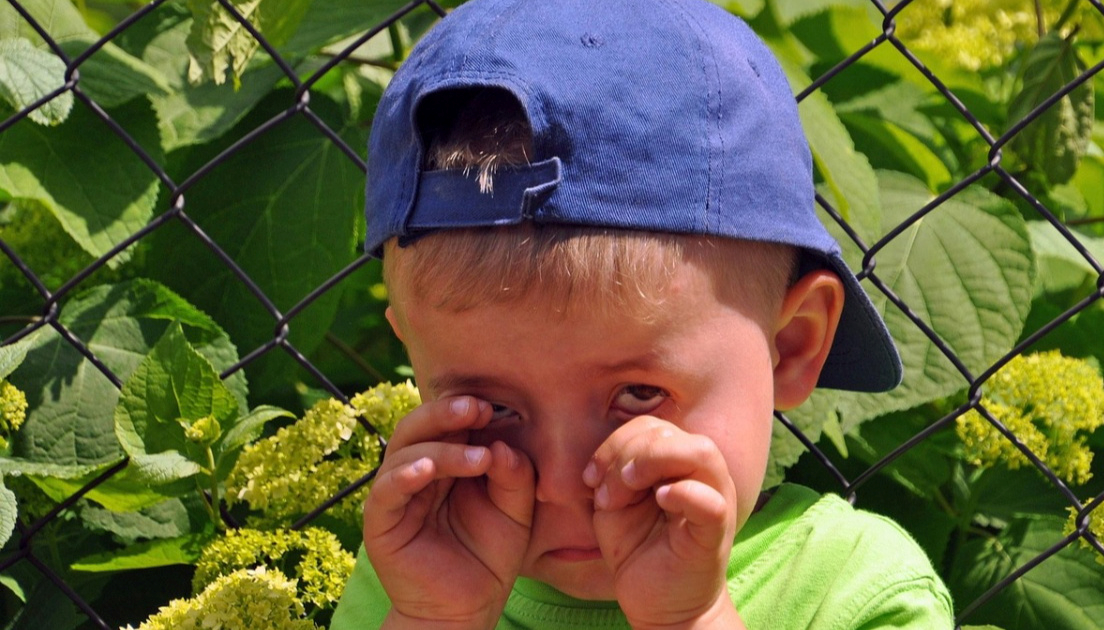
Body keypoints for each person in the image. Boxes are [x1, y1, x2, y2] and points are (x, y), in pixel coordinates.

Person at [331, 0, 954, 627]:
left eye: (638, 392)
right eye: (493, 410)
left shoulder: (853, 590)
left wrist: (693, 618)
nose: (563, 482)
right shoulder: (415, 577)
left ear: (791, 345)